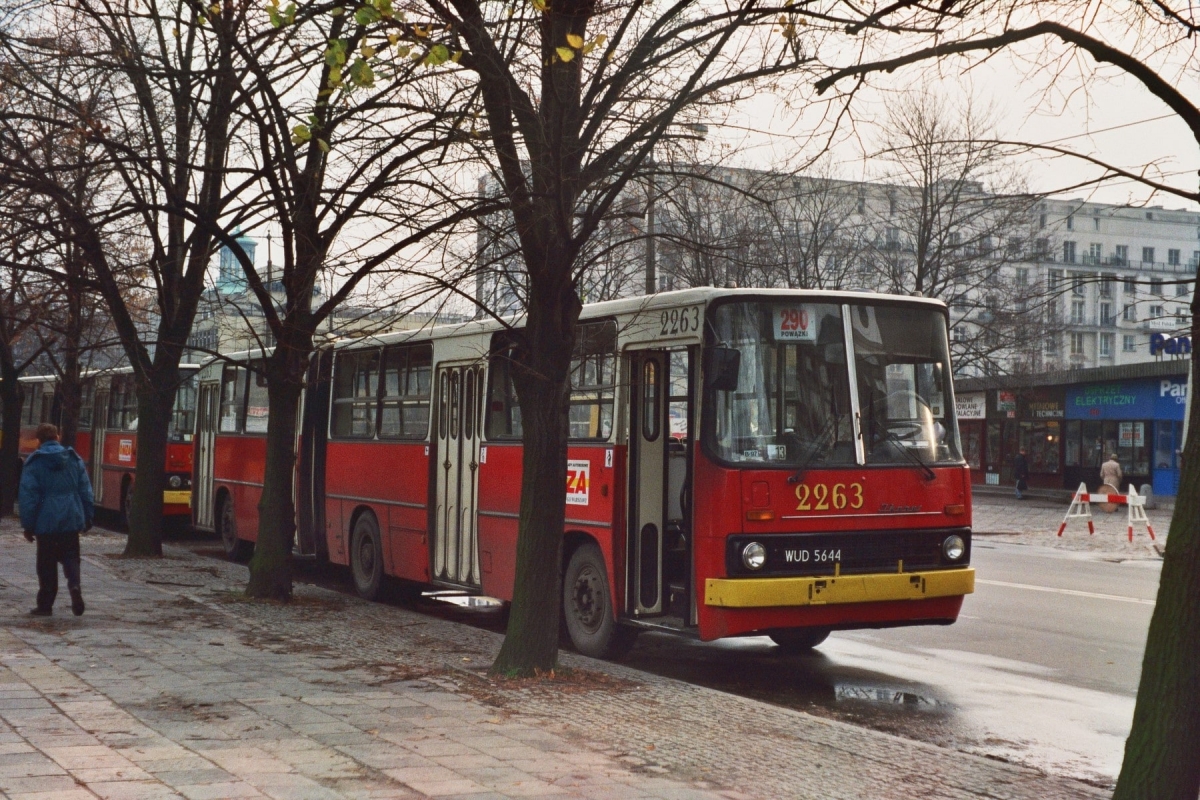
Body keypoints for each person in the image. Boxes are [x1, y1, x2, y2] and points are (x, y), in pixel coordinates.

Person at [19, 423, 93, 616]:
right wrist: (87, 517)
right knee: (71, 556)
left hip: (46, 520)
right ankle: (75, 587)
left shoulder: (35, 462)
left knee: (46, 563)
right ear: (58, 437)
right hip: (70, 516)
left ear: (39, 440)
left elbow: (29, 496)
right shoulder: (73, 459)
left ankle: (45, 604)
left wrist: (28, 525)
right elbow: (85, 490)